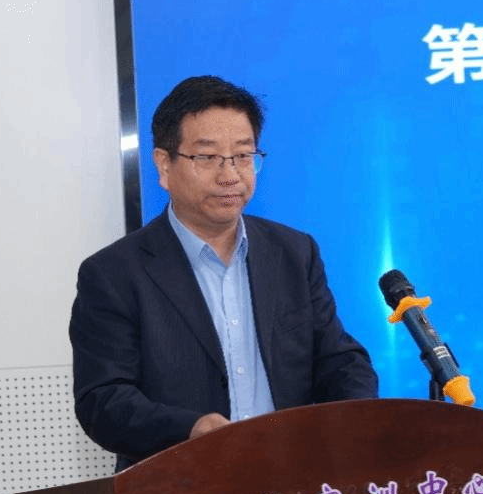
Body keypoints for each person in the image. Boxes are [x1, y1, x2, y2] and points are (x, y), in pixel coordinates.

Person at [69, 75, 378, 471]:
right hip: (179, 487)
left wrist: (355, 418)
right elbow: (103, 400)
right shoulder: (114, 273)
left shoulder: (294, 253)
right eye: (207, 157)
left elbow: (338, 359)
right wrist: (190, 429)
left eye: (243, 156)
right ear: (164, 165)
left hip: (290, 482)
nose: (230, 175)